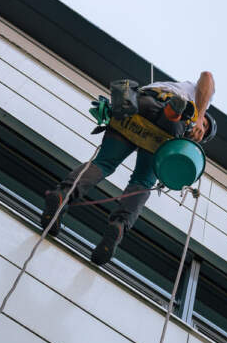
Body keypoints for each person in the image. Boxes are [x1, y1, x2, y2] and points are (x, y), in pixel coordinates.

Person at [43, 71, 216, 264]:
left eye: (203, 131)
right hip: (165, 122)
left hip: (134, 108)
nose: (201, 129)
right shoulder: (201, 100)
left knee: (104, 164)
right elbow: (207, 76)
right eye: (204, 125)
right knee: (143, 181)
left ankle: (62, 196)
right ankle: (173, 112)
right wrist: (199, 117)